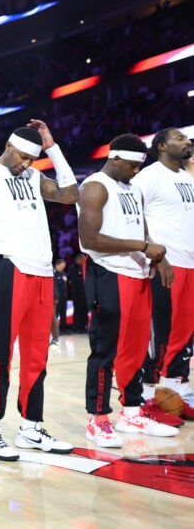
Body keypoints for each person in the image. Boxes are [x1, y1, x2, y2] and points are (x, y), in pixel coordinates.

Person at [0, 122, 77, 461]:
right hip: (5, 269)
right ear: (9, 146)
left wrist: (52, 149)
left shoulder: (35, 177)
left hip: (42, 271)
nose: (26, 164)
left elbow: (71, 194)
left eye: (32, 160)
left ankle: (31, 427)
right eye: (24, 157)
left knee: (37, 355)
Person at [77, 133, 179, 447]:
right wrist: (143, 246)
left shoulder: (132, 188)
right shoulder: (95, 186)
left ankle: (132, 412)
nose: (136, 171)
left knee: (135, 350)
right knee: (105, 349)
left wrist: (157, 257)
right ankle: (97, 420)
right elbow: (89, 240)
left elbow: (141, 227)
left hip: (137, 273)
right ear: (115, 158)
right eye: (132, 165)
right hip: (108, 273)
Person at [136, 128, 194, 418]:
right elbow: (134, 215)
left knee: (184, 336)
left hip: (191, 264)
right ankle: (146, 399)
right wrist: (153, 254)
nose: (187, 142)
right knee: (160, 335)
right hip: (165, 265)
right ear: (161, 145)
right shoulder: (148, 176)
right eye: (180, 138)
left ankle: (175, 394)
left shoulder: (187, 179)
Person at [67, 253, 88, 332]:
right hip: (76, 293)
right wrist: (81, 277)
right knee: (78, 309)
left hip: (84, 293)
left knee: (84, 309)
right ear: (78, 259)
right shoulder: (72, 268)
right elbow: (75, 279)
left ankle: (84, 326)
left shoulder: (84, 267)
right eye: (82, 259)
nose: (83, 261)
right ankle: (77, 327)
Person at [52, 258, 68, 342]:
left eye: (64, 266)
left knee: (63, 313)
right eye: (62, 266)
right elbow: (55, 287)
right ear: (57, 265)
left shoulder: (64, 274)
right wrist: (55, 296)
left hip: (64, 297)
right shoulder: (53, 274)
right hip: (57, 298)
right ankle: (55, 332)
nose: (63, 268)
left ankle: (63, 329)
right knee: (56, 315)